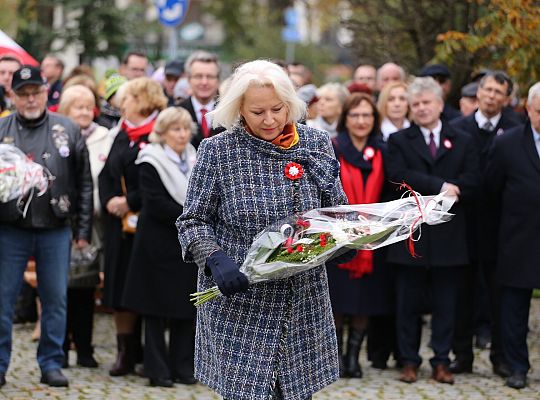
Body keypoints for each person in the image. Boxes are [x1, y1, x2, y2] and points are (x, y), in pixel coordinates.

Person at [176, 59, 351, 400]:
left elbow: (337, 212)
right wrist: (214, 258)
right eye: (258, 112)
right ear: (238, 109)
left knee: (295, 393)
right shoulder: (218, 151)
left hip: (300, 299)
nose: (270, 120)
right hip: (240, 298)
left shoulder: (315, 143)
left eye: (278, 109)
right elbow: (192, 220)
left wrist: (344, 238)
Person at [0, 66, 92, 387]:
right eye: (22, 93)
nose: (30, 99)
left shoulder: (67, 128)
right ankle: (0, 365)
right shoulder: (1, 128)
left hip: (55, 226)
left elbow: (84, 182)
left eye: (35, 92)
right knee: (3, 299)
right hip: (10, 228)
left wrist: (82, 230)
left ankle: (51, 362)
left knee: (55, 298)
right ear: (13, 96)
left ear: (45, 92)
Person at [386, 77, 479, 385]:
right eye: (416, 104)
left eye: (427, 102)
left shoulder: (462, 139)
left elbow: (474, 179)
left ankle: (441, 360)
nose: (422, 108)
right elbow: (397, 175)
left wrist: (457, 190)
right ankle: (409, 360)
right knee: (407, 304)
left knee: (446, 304)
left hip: (450, 237)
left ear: (440, 104)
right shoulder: (400, 140)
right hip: (412, 234)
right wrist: (439, 187)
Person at [449, 70, 522, 378]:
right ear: (478, 92)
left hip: (501, 225)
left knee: (498, 295)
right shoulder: (457, 128)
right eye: (488, 89)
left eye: (498, 92)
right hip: (463, 223)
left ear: (507, 99)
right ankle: (461, 354)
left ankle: (500, 356)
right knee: (461, 293)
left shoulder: (515, 129)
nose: (492, 96)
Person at [122, 107, 198, 388]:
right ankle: (157, 369)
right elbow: (153, 202)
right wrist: (191, 217)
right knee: (154, 309)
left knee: (184, 306)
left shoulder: (193, 156)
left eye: (185, 128)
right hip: (156, 241)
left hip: (183, 244)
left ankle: (182, 366)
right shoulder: (150, 160)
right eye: (175, 129)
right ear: (163, 133)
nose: (181, 134)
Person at [98, 77, 167, 376]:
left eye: (126, 98)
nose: (120, 104)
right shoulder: (122, 133)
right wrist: (110, 200)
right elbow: (106, 172)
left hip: (146, 223)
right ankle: (124, 350)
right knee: (118, 284)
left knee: (144, 286)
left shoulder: (158, 133)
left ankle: (148, 353)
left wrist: (131, 201)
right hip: (118, 226)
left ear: (141, 100)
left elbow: (160, 179)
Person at [326, 93, 392, 377]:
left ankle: (354, 357)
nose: (361, 121)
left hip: (374, 239)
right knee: (340, 299)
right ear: (346, 118)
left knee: (365, 300)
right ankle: (338, 356)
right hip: (339, 236)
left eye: (367, 115)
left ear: (374, 119)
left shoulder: (383, 150)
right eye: (355, 115)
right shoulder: (333, 147)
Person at [485, 82, 540, 390]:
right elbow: (492, 189)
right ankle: (516, 366)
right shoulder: (507, 144)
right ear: (528, 110)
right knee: (514, 308)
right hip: (517, 238)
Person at [57, 84, 113, 369]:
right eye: (77, 106)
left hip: (94, 226)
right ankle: (61, 346)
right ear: (65, 110)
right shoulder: (59, 137)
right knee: (60, 288)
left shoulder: (104, 137)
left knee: (85, 288)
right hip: (62, 222)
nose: (83, 112)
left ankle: (85, 346)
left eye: (87, 106)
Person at [179, 51, 224, 148]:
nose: (204, 82)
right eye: (198, 76)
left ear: (218, 80)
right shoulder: (176, 112)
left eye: (210, 76)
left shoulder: (229, 113)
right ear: (189, 79)